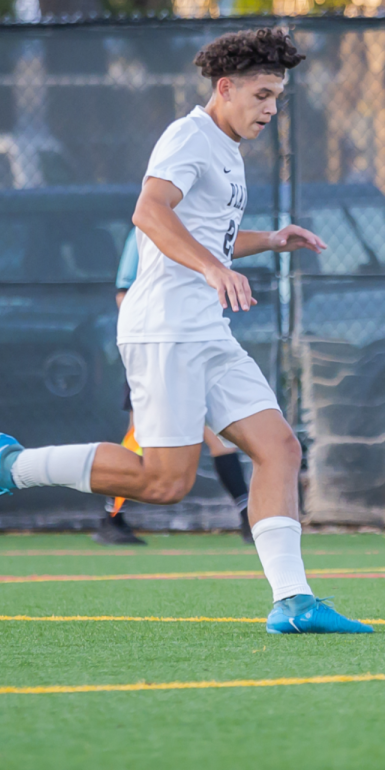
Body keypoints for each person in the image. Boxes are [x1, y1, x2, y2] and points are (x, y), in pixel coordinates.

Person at [0, 27, 372, 635]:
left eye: (277, 96)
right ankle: (10, 466)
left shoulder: (226, 149)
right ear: (224, 88)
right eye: (261, 95)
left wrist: (270, 240)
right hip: (165, 330)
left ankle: (293, 602)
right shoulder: (188, 135)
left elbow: (210, 236)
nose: (271, 108)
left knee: (279, 448)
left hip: (206, 331)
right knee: (164, 482)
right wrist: (213, 267)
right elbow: (149, 212)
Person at [95, 228, 254, 547]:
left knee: (222, 432)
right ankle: (109, 517)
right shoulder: (147, 228)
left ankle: (248, 515)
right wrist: (157, 341)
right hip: (155, 351)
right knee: (138, 438)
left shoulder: (205, 227)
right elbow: (124, 293)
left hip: (194, 350)